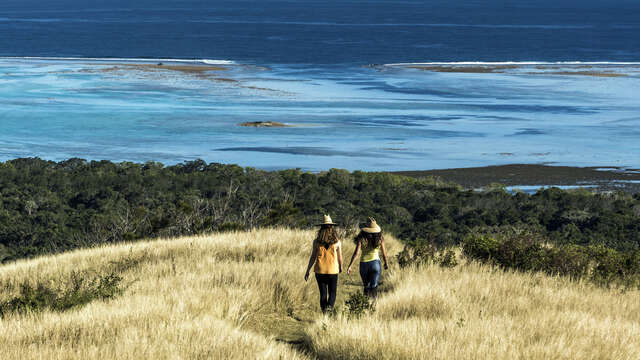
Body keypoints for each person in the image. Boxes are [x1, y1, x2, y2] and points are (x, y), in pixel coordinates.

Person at [304, 215, 343, 313]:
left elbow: (313, 257)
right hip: (333, 270)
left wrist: (308, 270)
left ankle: (324, 312)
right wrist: (341, 267)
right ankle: (328, 312)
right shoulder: (337, 242)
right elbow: (340, 257)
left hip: (320, 270)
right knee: (333, 293)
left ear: (321, 228)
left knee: (323, 294)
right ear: (332, 227)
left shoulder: (316, 242)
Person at [347, 217, 389, 302]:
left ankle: (365, 304)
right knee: (374, 287)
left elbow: (356, 253)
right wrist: (386, 263)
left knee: (366, 286)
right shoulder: (380, 238)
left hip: (364, 264)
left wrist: (350, 266)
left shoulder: (361, 238)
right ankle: (374, 305)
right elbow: (384, 253)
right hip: (376, 264)